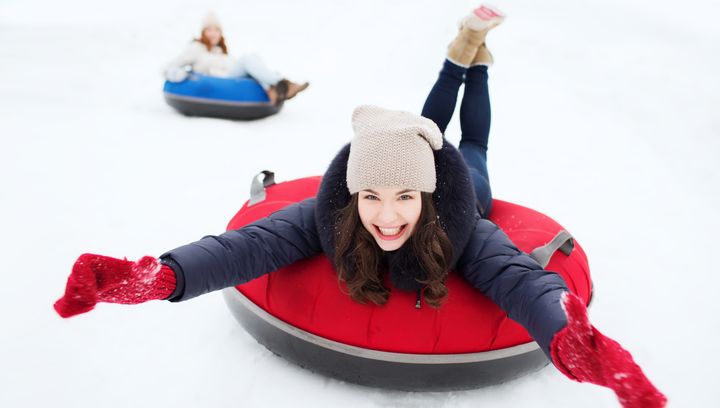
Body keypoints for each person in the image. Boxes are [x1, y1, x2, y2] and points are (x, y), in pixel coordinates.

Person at [56, 5, 666, 407]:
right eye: (372, 197)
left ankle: (472, 58)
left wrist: (573, 341)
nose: (388, 215)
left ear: (424, 198)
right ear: (352, 194)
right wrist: (156, 277)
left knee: (470, 140)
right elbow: (248, 247)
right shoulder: (331, 214)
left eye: (404, 199)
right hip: (403, 152)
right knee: (424, 126)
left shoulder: (464, 229)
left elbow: (519, 282)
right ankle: (464, 46)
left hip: (466, 183)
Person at [164, 12, 309, 105]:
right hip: (220, 82)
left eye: (216, 30)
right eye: (209, 30)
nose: (213, 33)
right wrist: (175, 73)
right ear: (203, 32)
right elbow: (169, 67)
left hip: (232, 79)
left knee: (253, 57)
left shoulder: (221, 51)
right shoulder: (195, 49)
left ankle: (273, 89)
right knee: (247, 58)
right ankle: (283, 85)